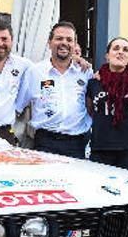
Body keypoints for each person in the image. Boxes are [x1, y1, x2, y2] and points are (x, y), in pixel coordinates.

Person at [15, 21, 92, 158]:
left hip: (76, 144)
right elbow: (18, 107)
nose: (64, 42)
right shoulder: (35, 71)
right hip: (45, 142)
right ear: (49, 43)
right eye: (59, 38)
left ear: (74, 45)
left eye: (69, 40)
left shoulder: (85, 72)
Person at [86, 37, 128, 171]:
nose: (120, 52)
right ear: (107, 55)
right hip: (101, 148)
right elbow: (91, 111)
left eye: (125, 49)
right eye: (116, 48)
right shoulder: (93, 83)